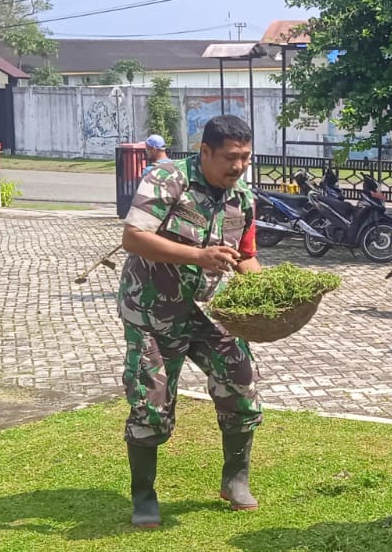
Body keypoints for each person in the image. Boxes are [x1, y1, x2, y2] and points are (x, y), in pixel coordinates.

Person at [118, 115, 263, 528]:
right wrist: (198, 256)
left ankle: (235, 480)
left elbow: (246, 256)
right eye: (230, 157)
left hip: (211, 310)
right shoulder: (168, 180)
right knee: (151, 403)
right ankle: (144, 496)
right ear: (205, 151)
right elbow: (133, 237)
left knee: (242, 386)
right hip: (153, 311)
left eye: (245, 157)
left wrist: (266, 294)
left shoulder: (242, 197)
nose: (239, 166)